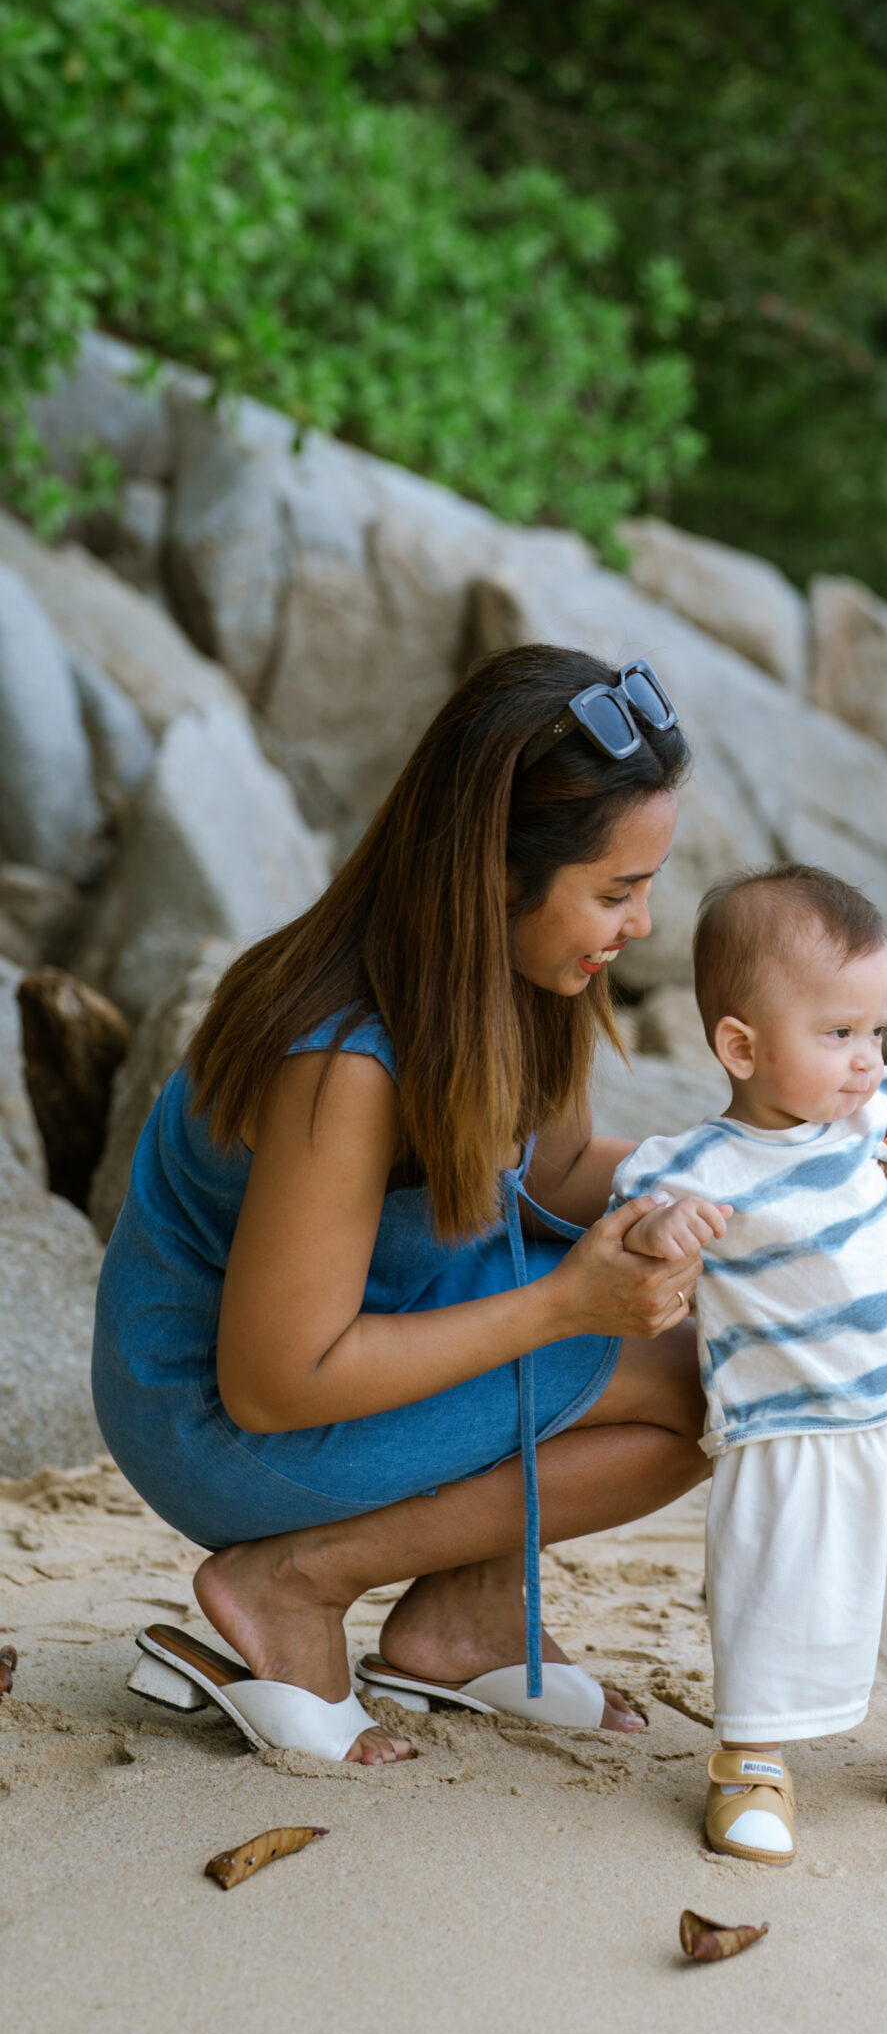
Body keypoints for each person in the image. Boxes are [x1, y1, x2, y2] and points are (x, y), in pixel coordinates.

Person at [93, 645, 733, 1766]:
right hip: (217, 1417)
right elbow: (276, 1380)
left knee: (718, 1359)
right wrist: (565, 1307)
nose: (640, 923)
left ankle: (464, 1617)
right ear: (496, 876)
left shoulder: (519, 976)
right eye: (615, 891)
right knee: (689, 1392)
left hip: (376, 1314)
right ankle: (294, 1579)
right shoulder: (343, 1058)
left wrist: (754, 1178)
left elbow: (555, 1172)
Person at [610, 864, 887, 1866]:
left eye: (877, 1030)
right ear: (741, 1046)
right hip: (790, 1433)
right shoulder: (701, 1165)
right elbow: (632, 1221)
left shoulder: (872, 1110)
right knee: (782, 1595)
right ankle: (751, 1765)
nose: (866, 1058)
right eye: (838, 1032)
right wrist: (663, 1229)